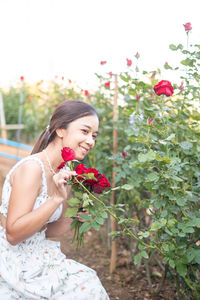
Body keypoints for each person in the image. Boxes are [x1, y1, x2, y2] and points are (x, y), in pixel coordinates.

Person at [0, 100, 110, 300]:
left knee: (88, 282)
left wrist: (80, 213)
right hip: (14, 261)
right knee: (88, 286)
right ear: (60, 129)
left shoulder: (63, 171)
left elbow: (51, 230)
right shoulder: (32, 168)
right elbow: (13, 234)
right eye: (85, 131)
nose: (91, 141)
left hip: (40, 255)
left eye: (94, 135)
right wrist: (56, 199)